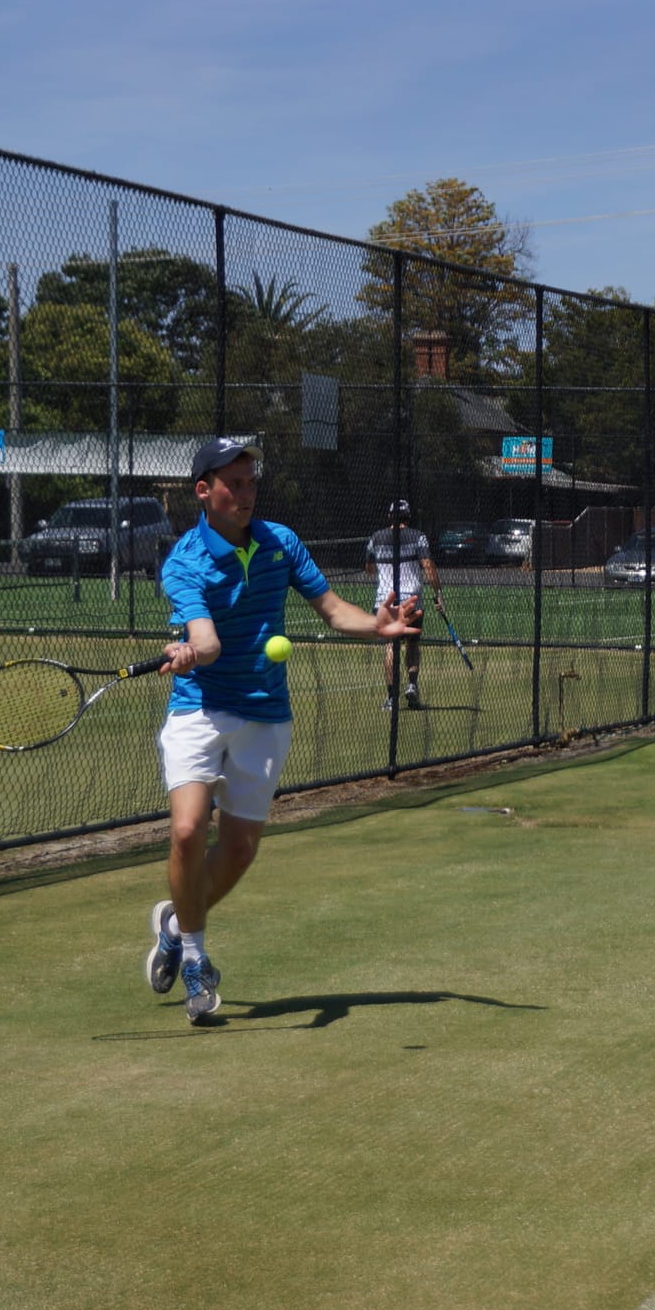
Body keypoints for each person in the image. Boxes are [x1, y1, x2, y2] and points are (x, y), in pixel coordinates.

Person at [147, 435, 421, 1024]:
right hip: (199, 708)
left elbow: (331, 609)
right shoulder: (185, 560)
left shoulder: (281, 543)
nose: (247, 495)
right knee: (190, 830)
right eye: (234, 485)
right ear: (205, 491)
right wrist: (196, 650)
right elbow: (208, 638)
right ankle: (195, 958)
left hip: (266, 714)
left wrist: (380, 627)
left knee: (240, 849)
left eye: (252, 484)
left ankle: (175, 925)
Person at [364, 498, 441, 711]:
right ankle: (412, 685)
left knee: (390, 645)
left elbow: (369, 568)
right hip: (411, 599)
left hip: (384, 601)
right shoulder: (419, 537)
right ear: (408, 517)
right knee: (413, 644)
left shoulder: (376, 538)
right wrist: (438, 593)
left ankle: (391, 698)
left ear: (389, 516)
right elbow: (427, 565)